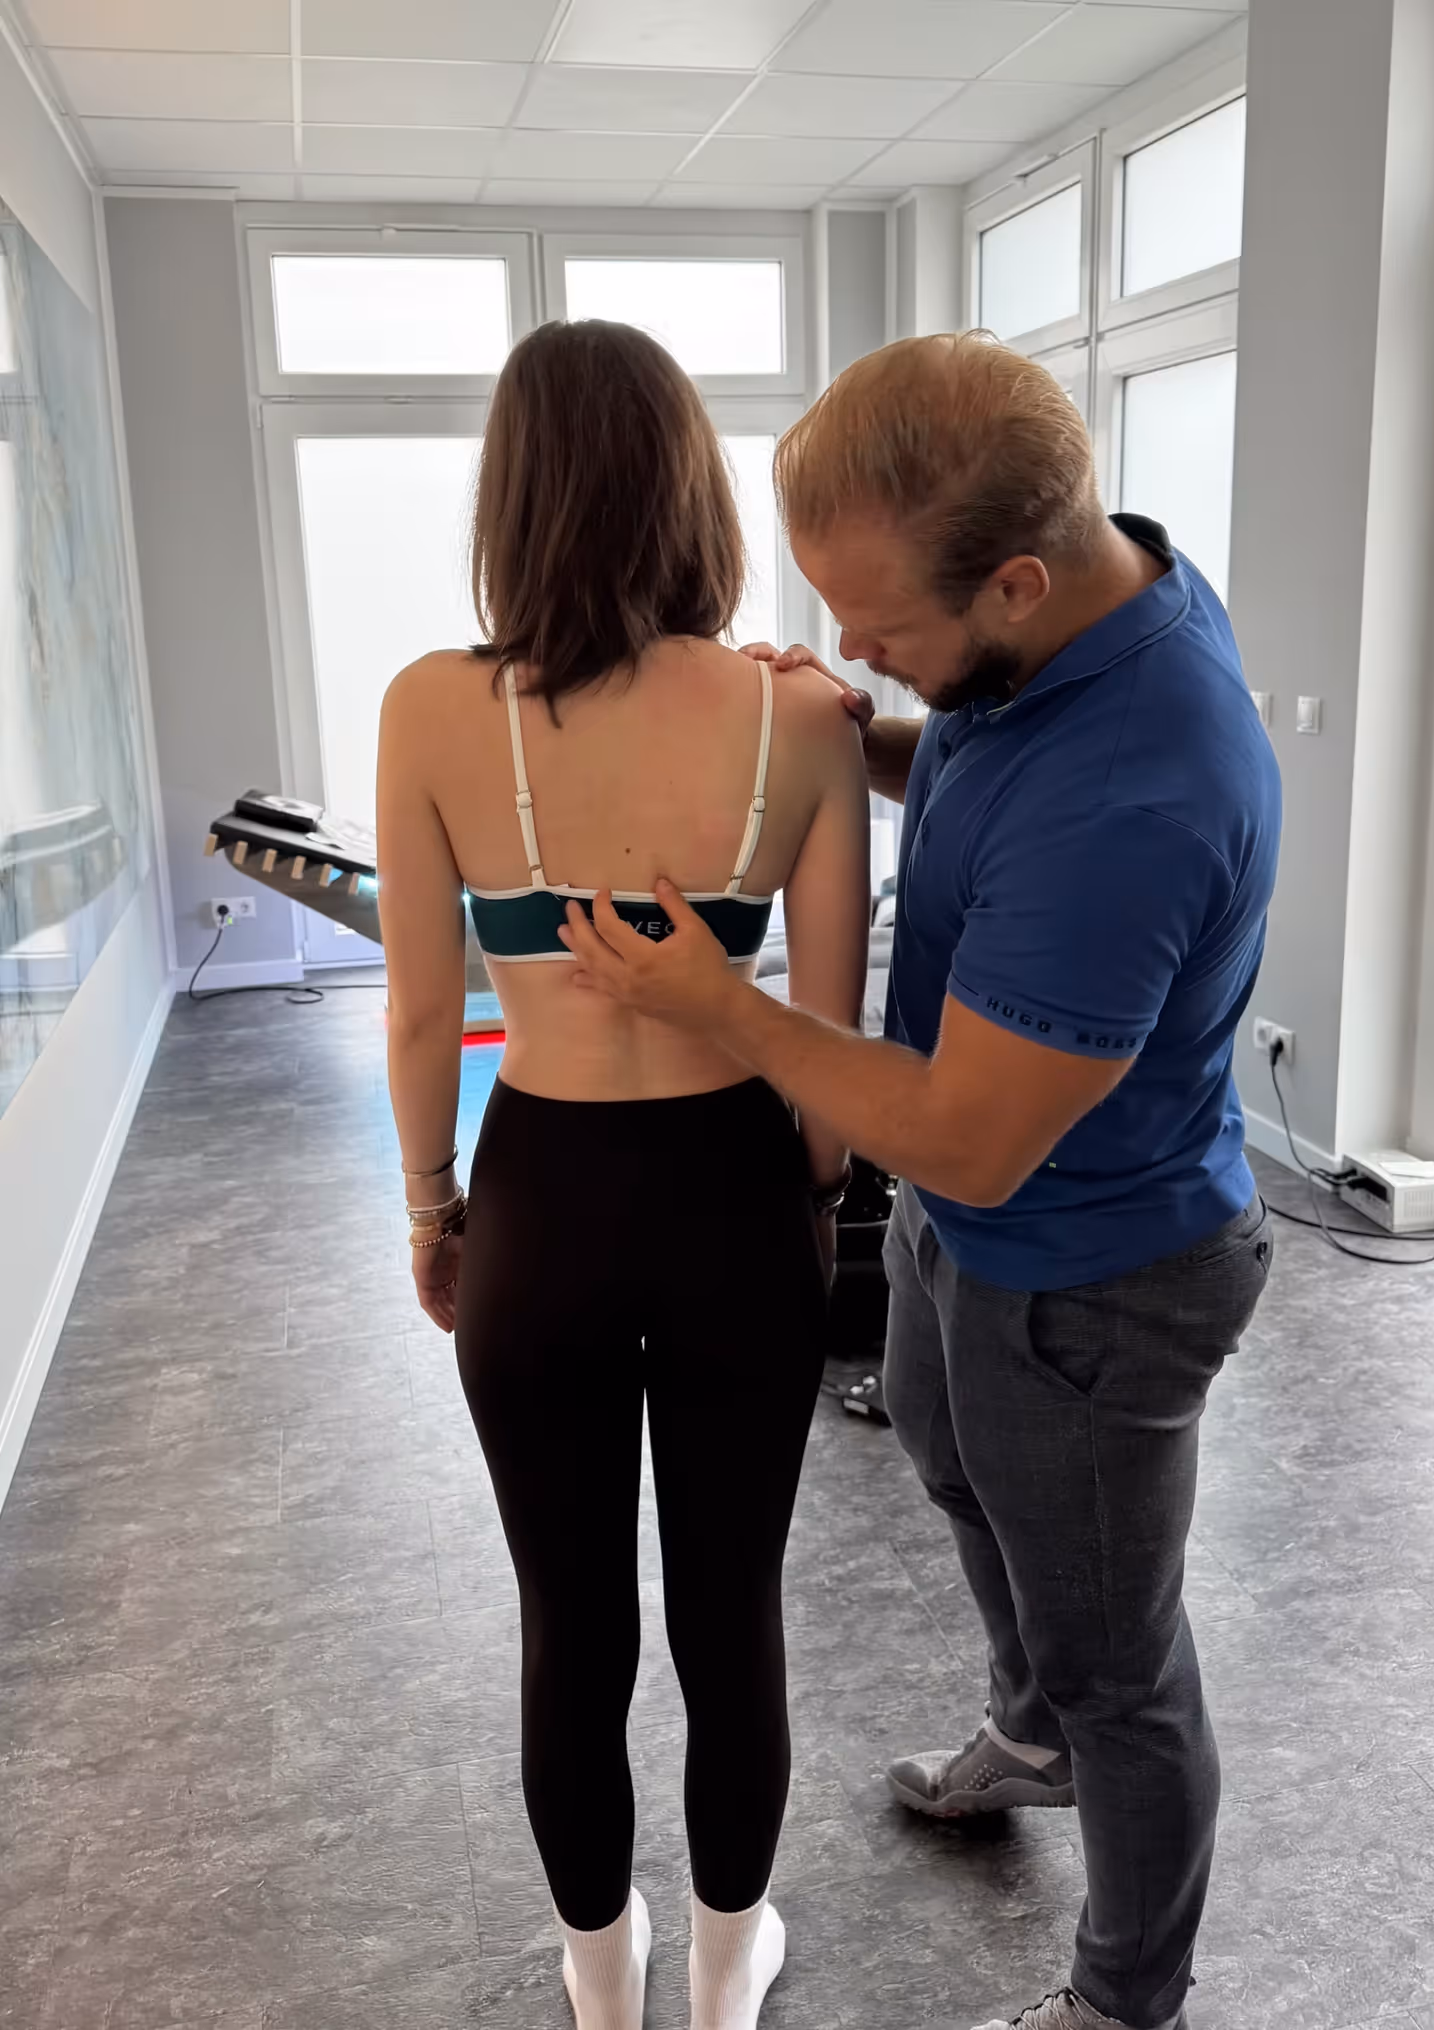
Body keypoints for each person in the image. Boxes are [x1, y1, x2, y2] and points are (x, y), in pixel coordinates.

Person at [560, 332, 1282, 2030]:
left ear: (1017, 580)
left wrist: (724, 1008)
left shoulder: (1138, 786)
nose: (850, 645)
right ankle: (1029, 1734)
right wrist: (863, 733)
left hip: (1093, 1270)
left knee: (1121, 1663)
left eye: (878, 624)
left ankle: (1126, 1995)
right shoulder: (1082, 611)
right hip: (978, 1235)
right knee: (958, 1470)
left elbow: (963, 1132)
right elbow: (978, 754)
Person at [375, 319, 871, 2030]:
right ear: (691, 487)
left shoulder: (433, 709)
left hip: (543, 1203)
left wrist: (435, 1209)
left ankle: (604, 1985)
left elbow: (421, 1008)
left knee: (567, 1622)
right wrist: (811, 1194)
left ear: (511, 494)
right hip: (737, 1200)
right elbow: (826, 1021)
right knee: (732, 1613)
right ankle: (727, 1977)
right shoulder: (801, 715)